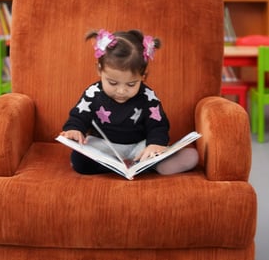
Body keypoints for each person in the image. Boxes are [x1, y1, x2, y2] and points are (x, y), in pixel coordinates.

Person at [59, 28, 199, 176]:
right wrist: (74, 129)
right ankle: (128, 166)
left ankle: (154, 163)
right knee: (79, 160)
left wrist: (155, 144)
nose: (121, 91)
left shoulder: (148, 97)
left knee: (152, 151)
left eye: (131, 84)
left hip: (137, 148)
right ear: (99, 70)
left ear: (143, 76)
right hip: (105, 147)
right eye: (113, 83)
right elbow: (79, 117)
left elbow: (158, 126)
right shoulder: (93, 93)